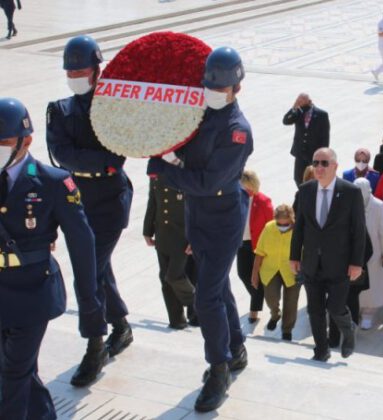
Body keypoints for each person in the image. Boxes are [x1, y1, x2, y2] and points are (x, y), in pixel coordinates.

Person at [146, 47, 252, 412]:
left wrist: (165, 171)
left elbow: (208, 181)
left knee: (207, 295)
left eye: (218, 87)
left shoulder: (238, 131)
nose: (211, 92)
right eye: (209, 85)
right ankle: (236, 348)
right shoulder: (202, 114)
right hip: (198, 215)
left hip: (222, 217)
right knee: (218, 285)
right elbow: (183, 150)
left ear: (236, 87)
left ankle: (218, 368)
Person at [0, 97, 103, 418]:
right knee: (22, 372)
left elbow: (82, 243)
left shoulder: (53, 183)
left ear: (25, 141)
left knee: (13, 375)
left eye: (2, 142)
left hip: (33, 292)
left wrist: (90, 303)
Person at [46, 35, 134, 385]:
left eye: (81, 70)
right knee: (98, 270)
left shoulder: (113, 108)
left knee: (89, 273)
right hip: (77, 205)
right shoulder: (60, 109)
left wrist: (96, 163)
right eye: (70, 70)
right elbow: (61, 155)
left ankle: (95, 345)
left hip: (110, 203)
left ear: (97, 71)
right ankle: (122, 326)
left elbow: (120, 154)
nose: (75, 75)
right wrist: (100, 163)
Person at [290, 147, 366, 362]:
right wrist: (294, 256)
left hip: (340, 263)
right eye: (316, 163)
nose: (319, 168)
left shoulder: (350, 192)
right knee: (314, 310)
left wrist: (356, 263)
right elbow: (300, 228)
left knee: (335, 307)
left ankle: (348, 329)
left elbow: (359, 231)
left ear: (335, 166)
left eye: (324, 163)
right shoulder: (305, 191)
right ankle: (320, 350)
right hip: (312, 262)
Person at [143, 174, 197, 329]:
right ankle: (176, 320)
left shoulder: (186, 171)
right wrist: (147, 230)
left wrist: (195, 237)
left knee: (174, 275)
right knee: (165, 279)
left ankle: (199, 303)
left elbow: (196, 208)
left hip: (183, 236)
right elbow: (153, 201)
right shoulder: (157, 173)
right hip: (162, 233)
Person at [251, 204, 301, 341]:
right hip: (270, 269)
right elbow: (259, 253)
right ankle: (275, 314)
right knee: (270, 297)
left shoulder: (299, 229)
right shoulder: (268, 228)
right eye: (279, 224)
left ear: (292, 220)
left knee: (291, 302)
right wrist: (254, 274)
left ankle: (287, 330)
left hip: (292, 271)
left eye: (286, 225)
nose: (282, 227)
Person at [353, 178, 383, 330]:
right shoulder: (350, 203)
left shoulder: (379, 205)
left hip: (375, 252)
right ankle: (355, 311)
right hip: (355, 251)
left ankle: (368, 314)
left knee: (373, 284)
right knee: (355, 284)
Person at [237, 170, 274, 323]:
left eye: (246, 187)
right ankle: (258, 296)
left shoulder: (263, 201)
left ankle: (254, 309)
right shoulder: (237, 198)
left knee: (255, 277)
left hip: (258, 245)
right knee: (243, 274)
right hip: (241, 242)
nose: (244, 190)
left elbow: (271, 224)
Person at [283, 93, 330, 186]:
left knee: (313, 178)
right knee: (298, 178)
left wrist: (322, 155)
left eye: (302, 101)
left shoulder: (322, 115)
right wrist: (294, 107)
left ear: (309, 101)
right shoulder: (298, 112)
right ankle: (301, 196)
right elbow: (286, 121)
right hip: (300, 153)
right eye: (298, 101)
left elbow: (325, 137)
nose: (300, 104)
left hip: (314, 154)